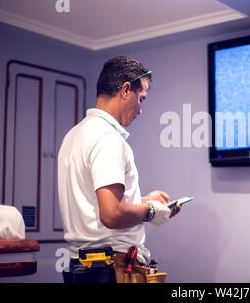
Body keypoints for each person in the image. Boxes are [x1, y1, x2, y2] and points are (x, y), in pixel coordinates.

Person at [57, 55, 180, 283]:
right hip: (109, 268)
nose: (140, 110)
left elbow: (95, 204)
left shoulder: (73, 136)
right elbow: (112, 214)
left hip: (79, 266)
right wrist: (151, 211)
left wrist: (143, 200)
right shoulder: (108, 138)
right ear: (125, 90)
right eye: (140, 99)